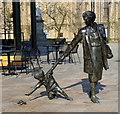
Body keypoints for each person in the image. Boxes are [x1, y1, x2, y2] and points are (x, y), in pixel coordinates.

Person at [59, 11, 109, 103]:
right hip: (90, 55)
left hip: (99, 53)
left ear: (92, 18)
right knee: (92, 74)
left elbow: (104, 41)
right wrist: (65, 54)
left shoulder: (99, 28)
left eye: (86, 18)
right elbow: (73, 43)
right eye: (84, 18)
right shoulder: (83, 31)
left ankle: (92, 90)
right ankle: (93, 95)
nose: (85, 20)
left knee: (97, 74)